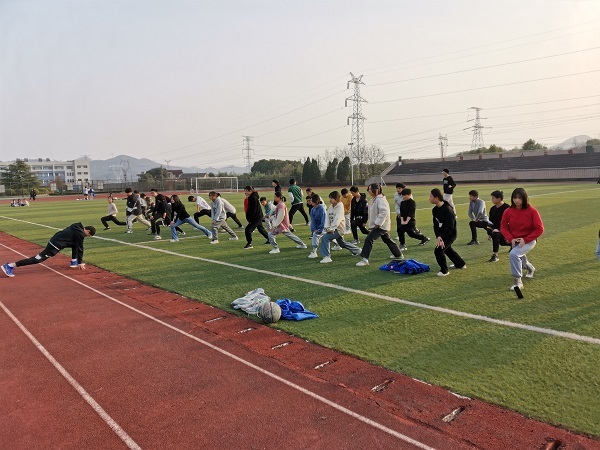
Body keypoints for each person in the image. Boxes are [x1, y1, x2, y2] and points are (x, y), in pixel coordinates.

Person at [1, 223, 96, 277]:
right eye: (88, 235)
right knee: (37, 259)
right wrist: (80, 262)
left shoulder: (76, 226)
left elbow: (77, 246)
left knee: (75, 245)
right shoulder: (80, 234)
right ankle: (9, 266)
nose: (86, 236)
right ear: (87, 231)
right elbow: (80, 248)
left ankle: (73, 261)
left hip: (55, 239)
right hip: (55, 245)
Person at [500, 187, 544, 291]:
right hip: (515, 240)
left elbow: (540, 229)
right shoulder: (508, 211)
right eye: (515, 198)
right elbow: (503, 227)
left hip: (529, 240)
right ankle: (530, 268)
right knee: (519, 257)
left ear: (524, 198)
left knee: (514, 254)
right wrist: (511, 239)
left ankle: (518, 282)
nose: (517, 200)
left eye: (519, 198)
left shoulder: (532, 211)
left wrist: (526, 239)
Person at [356, 183, 403, 267]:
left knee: (369, 239)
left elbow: (384, 212)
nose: (369, 191)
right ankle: (398, 254)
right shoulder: (374, 199)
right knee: (387, 239)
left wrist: (377, 223)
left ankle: (364, 259)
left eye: (370, 189)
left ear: (376, 190)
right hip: (379, 225)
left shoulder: (380, 199)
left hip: (381, 225)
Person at [429, 188, 466, 276]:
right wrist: (438, 236)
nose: (429, 198)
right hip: (441, 235)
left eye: (430, 197)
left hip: (450, 234)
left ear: (436, 198)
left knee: (438, 250)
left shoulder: (447, 209)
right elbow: (435, 225)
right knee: (447, 249)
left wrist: (442, 237)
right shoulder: (434, 210)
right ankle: (460, 264)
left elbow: (450, 227)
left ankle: (444, 271)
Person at [319, 191, 361, 264]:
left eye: (332, 198)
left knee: (325, 238)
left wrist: (332, 229)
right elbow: (327, 218)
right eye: (330, 198)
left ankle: (327, 257)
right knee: (342, 243)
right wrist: (326, 227)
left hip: (339, 230)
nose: (330, 200)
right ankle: (357, 250)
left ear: (337, 199)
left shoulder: (340, 207)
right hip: (332, 229)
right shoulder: (331, 207)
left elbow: (337, 219)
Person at [486, 190, 510, 262]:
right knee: (502, 243)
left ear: (499, 199)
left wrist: (500, 229)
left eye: (493, 198)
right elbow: (490, 222)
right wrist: (489, 232)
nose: (492, 199)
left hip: (507, 230)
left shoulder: (507, 208)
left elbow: (510, 222)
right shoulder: (492, 209)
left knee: (495, 234)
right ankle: (513, 244)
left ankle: (495, 255)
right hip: (497, 230)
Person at [308, 193, 327, 259]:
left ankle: (314, 252)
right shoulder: (313, 210)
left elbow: (324, 221)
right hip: (319, 228)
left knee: (316, 235)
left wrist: (320, 229)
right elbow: (313, 221)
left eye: (312, 201)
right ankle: (314, 251)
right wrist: (313, 229)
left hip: (325, 228)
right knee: (315, 234)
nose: (311, 202)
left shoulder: (322, 209)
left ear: (315, 201)